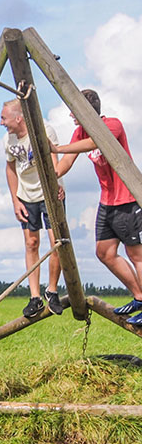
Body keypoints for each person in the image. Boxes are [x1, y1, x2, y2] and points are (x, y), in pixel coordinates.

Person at [54, 89, 142, 324]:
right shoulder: (78, 133)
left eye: (74, 110)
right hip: (107, 202)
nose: (72, 115)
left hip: (128, 198)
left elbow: (96, 141)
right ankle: (139, 297)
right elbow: (65, 163)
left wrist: (57, 148)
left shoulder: (112, 125)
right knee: (104, 253)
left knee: (136, 255)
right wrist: (49, 172)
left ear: (85, 109)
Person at [0, 98, 65, 318]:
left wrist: (56, 183)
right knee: (31, 243)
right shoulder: (7, 140)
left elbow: (54, 157)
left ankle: (52, 291)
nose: (2, 123)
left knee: (56, 242)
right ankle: (35, 297)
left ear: (18, 118)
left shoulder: (44, 130)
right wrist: (15, 200)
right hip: (26, 196)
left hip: (48, 192)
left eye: (4, 118)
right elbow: (10, 168)